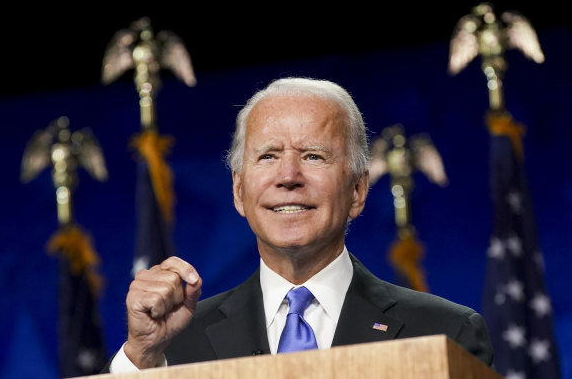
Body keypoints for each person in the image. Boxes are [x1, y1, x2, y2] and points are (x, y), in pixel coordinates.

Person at [104, 76, 494, 373]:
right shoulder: (173, 346)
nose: (288, 176)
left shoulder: (445, 333)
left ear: (357, 191)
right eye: (268, 156)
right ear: (239, 191)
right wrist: (142, 354)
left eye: (313, 156)